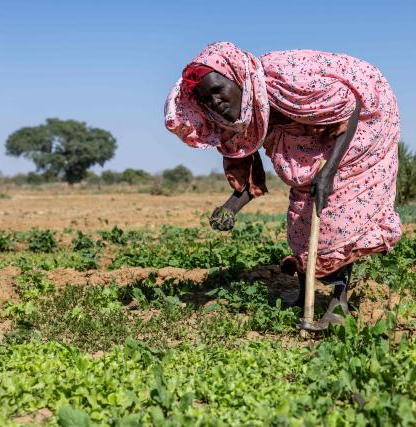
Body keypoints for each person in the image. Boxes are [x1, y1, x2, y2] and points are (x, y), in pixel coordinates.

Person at [165, 42, 402, 330]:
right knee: (301, 216)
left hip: (363, 115)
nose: (214, 102)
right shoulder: (235, 118)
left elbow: (349, 107)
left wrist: (328, 172)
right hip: (309, 128)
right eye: (206, 99)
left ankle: (339, 300)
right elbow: (247, 165)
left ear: (238, 79)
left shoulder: (288, 83)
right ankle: (305, 295)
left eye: (217, 90)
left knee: (336, 215)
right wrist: (230, 207)